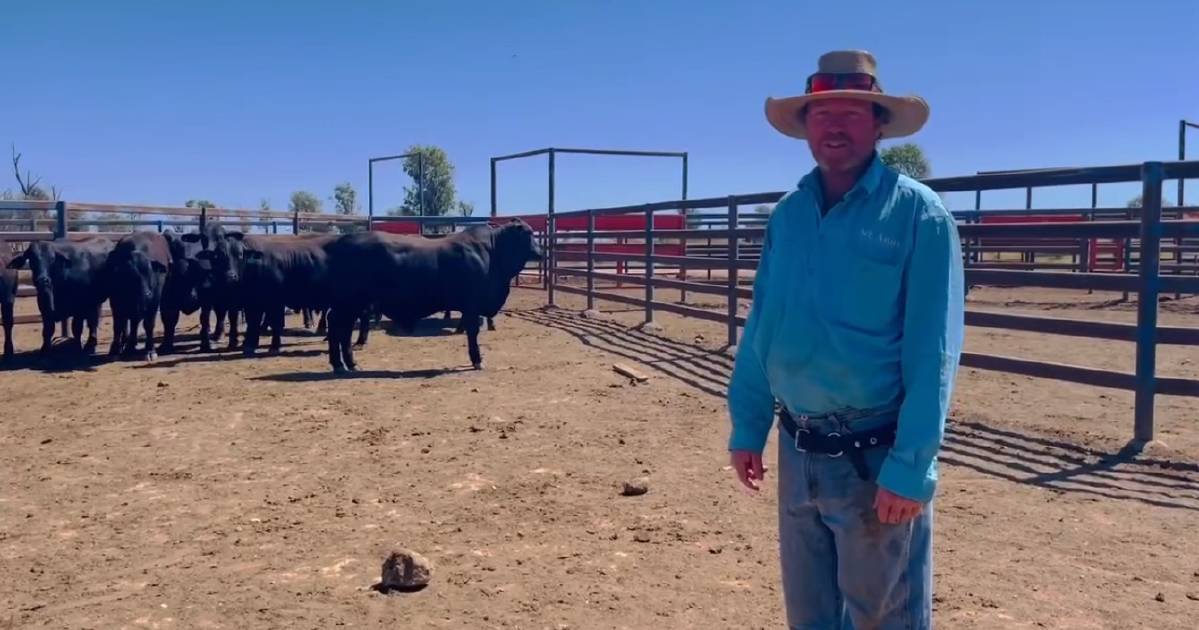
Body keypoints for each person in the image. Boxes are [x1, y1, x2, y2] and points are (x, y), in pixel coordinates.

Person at [727, 50, 965, 629]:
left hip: (875, 454)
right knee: (809, 616)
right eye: (822, 114)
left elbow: (934, 350)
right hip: (798, 445)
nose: (835, 126)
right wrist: (748, 422)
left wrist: (911, 468)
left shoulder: (918, 216)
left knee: (884, 616)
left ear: (879, 124)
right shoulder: (788, 216)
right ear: (805, 126)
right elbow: (765, 324)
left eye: (853, 113)